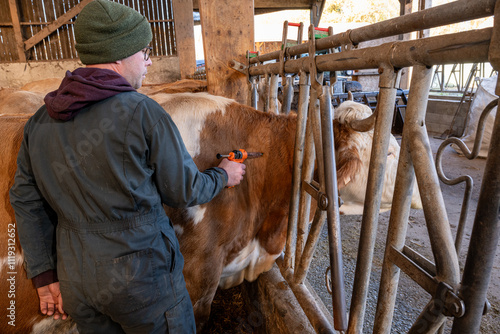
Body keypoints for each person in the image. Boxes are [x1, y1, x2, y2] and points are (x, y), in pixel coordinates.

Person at [9, 0, 246, 333]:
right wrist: (223, 174)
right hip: (141, 279)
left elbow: (25, 200)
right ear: (119, 55)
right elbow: (185, 190)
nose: (148, 62)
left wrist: (44, 274)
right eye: (144, 52)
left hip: (77, 281)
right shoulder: (143, 113)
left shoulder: (40, 122)